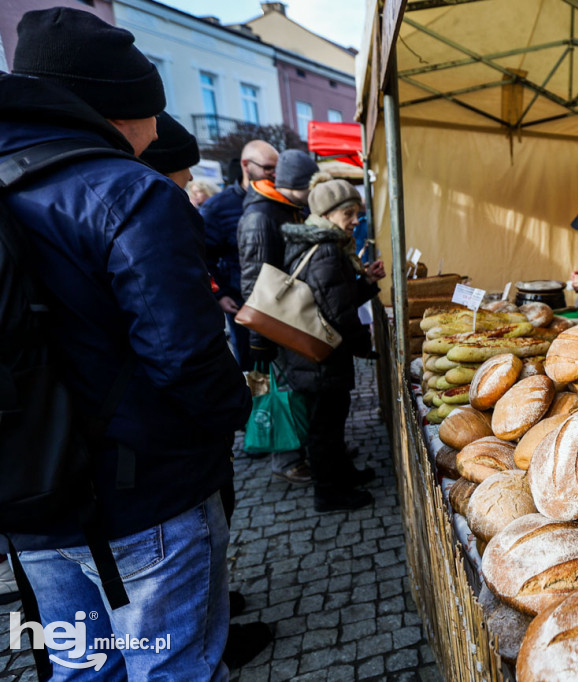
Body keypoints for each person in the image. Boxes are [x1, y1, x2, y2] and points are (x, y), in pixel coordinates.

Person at [0, 8, 251, 680]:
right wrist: (230, 420)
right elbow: (186, 357)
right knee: (168, 668)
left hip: (28, 504)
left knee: (83, 670)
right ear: (123, 110)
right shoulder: (129, 192)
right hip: (144, 506)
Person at [138, 110, 273, 670]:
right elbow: (177, 341)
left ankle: (213, 615)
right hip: (157, 448)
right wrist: (233, 405)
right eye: (181, 177)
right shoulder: (159, 211)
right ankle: (207, 633)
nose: (188, 188)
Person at [277, 175, 384, 511]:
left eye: (356, 214)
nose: (355, 222)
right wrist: (365, 347)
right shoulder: (326, 250)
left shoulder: (322, 244)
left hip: (313, 356)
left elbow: (337, 297)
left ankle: (343, 475)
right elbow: (339, 313)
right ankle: (329, 493)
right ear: (325, 215)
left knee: (332, 424)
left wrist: (366, 282)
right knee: (325, 429)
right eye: (348, 215)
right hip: (319, 359)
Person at [237, 148, 319, 483]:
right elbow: (253, 280)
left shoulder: (287, 209)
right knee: (280, 393)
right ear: (297, 184)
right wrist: (260, 342)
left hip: (289, 318)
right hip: (275, 327)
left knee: (295, 391)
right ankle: (286, 460)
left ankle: (304, 450)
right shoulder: (261, 217)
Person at [201, 141, 279, 371]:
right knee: (253, 370)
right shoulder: (217, 207)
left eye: (277, 168)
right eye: (268, 168)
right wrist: (221, 294)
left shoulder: (282, 199)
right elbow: (204, 257)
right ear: (246, 165)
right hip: (242, 303)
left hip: (280, 301)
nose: (274, 174)